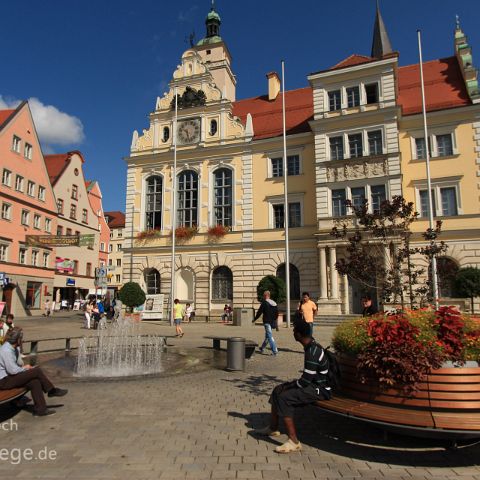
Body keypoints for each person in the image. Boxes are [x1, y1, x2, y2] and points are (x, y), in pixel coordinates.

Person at [254, 320, 331, 453]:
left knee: (285, 397)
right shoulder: (310, 346)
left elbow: (305, 381)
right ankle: (273, 428)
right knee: (277, 390)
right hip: (313, 385)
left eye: (295, 331)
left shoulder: (312, 351)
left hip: (320, 390)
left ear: (300, 335)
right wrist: (286, 385)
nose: (293, 333)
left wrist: (289, 386)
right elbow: (306, 379)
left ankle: (294, 441)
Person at [0, 327, 68, 416]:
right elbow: (12, 370)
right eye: (21, 339)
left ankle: (41, 410)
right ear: (17, 340)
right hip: (4, 381)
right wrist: (26, 368)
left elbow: (19, 363)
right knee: (36, 371)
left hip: (10, 377)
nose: (23, 341)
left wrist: (21, 358)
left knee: (34, 382)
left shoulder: (14, 348)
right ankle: (51, 390)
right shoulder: (6, 350)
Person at [253, 291, 279, 355]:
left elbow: (259, 312)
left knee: (269, 336)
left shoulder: (264, 303)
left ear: (265, 296)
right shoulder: (274, 303)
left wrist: (255, 319)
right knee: (267, 336)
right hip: (272, 321)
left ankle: (274, 350)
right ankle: (262, 348)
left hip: (267, 321)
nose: (263, 297)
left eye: (263, 295)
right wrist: (274, 320)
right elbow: (277, 314)